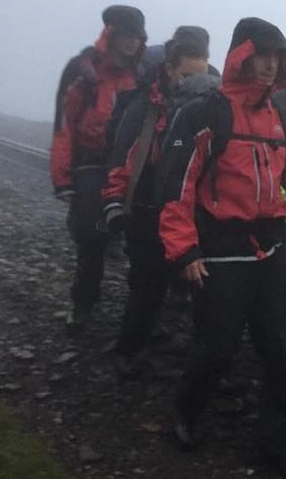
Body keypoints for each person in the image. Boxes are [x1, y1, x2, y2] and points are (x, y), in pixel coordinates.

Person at [158, 17, 286, 477]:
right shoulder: (205, 113)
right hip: (220, 250)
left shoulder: (283, 120)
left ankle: (278, 443)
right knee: (216, 347)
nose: (267, 66)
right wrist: (183, 250)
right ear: (241, 57)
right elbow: (177, 187)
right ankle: (186, 411)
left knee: (282, 349)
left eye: (275, 59)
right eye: (260, 56)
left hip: (271, 247)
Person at [101, 27, 212, 376]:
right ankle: (129, 352)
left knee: (184, 285)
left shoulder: (207, 106)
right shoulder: (146, 108)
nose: (192, 83)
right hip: (148, 209)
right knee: (147, 285)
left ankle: (159, 344)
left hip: (189, 209)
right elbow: (125, 157)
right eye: (186, 75)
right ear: (168, 69)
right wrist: (115, 203)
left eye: (200, 76)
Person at [50, 5, 146, 332]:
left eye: (138, 36)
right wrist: (63, 179)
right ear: (112, 34)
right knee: (91, 239)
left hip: (129, 164)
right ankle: (84, 302)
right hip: (91, 161)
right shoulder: (84, 70)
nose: (133, 42)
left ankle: (139, 316)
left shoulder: (143, 74)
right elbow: (64, 125)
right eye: (127, 35)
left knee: (136, 237)